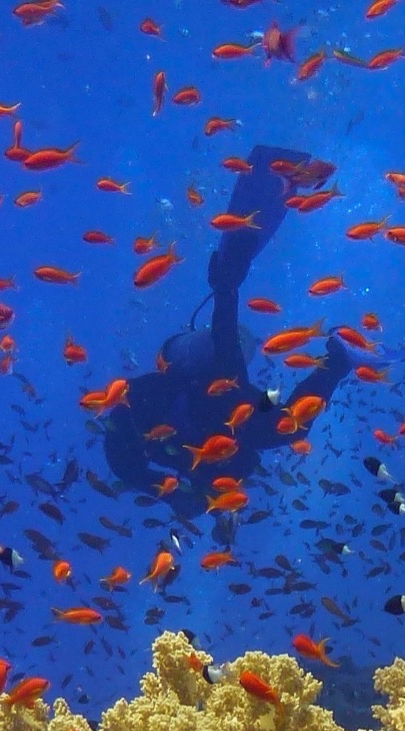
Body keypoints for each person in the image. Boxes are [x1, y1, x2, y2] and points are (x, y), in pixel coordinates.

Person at [102, 144, 352, 527]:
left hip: (206, 393)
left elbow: (124, 457)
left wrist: (163, 489)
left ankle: (230, 281)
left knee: (238, 367)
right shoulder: (209, 468)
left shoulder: (152, 427)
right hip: (230, 411)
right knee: (285, 424)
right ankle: (338, 358)